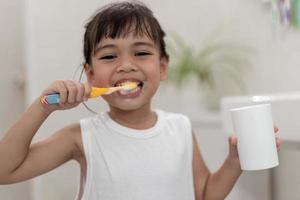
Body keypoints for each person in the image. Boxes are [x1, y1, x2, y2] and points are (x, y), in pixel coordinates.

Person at [0, 1, 280, 200]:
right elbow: (5, 171)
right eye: (109, 56)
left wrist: (234, 162)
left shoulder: (179, 128)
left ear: (162, 67)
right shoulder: (81, 137)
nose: (125, 65)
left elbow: (205, 194)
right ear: (91, 74)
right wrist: (43, 106)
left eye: (141, 53)